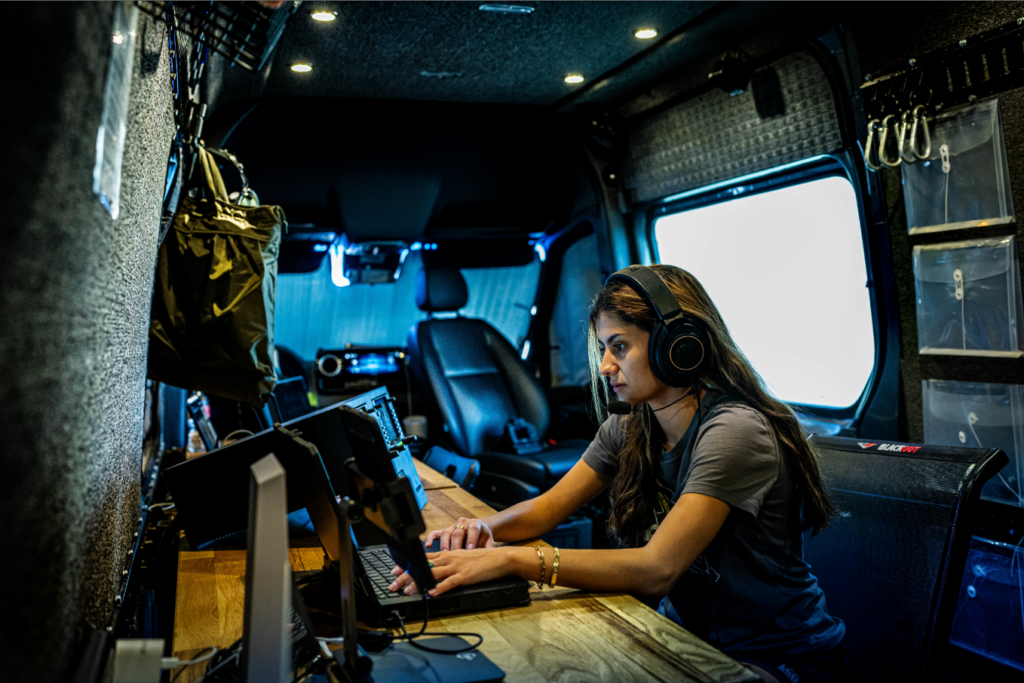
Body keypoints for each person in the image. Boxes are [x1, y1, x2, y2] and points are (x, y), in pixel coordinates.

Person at [389, 264, 855, 682]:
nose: (606, 366)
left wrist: (512, 559)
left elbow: (657, 570)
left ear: (679, 346)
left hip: (779, 654)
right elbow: (548, 508)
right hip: (683, 631)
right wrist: (473, 532)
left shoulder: (734, 430)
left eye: (619, 346)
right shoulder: (633, 421)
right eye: (602, 348)